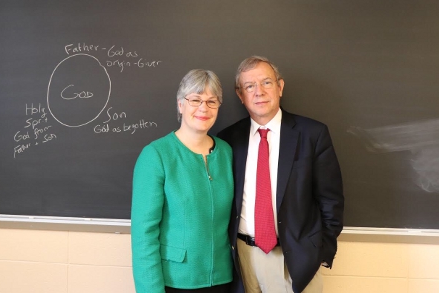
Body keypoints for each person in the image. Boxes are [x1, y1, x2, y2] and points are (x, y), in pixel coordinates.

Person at [218, 56, 344, 293]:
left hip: (295, 259)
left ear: (280, 86)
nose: (259, 92)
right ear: (240, 94)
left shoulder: (312, 134)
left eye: (266, 82)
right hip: (241, 260)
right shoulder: (227, 140)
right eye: (249, 86)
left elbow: (331, 200)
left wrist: (320, 251)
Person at [131, 69, 234, 293]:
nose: (203, 108)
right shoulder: (156, 155)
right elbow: (143, 235)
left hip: (224, 280)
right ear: (180, 105)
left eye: (211, 101)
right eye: (195, 99)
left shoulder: (226, 152)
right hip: (175, 282)